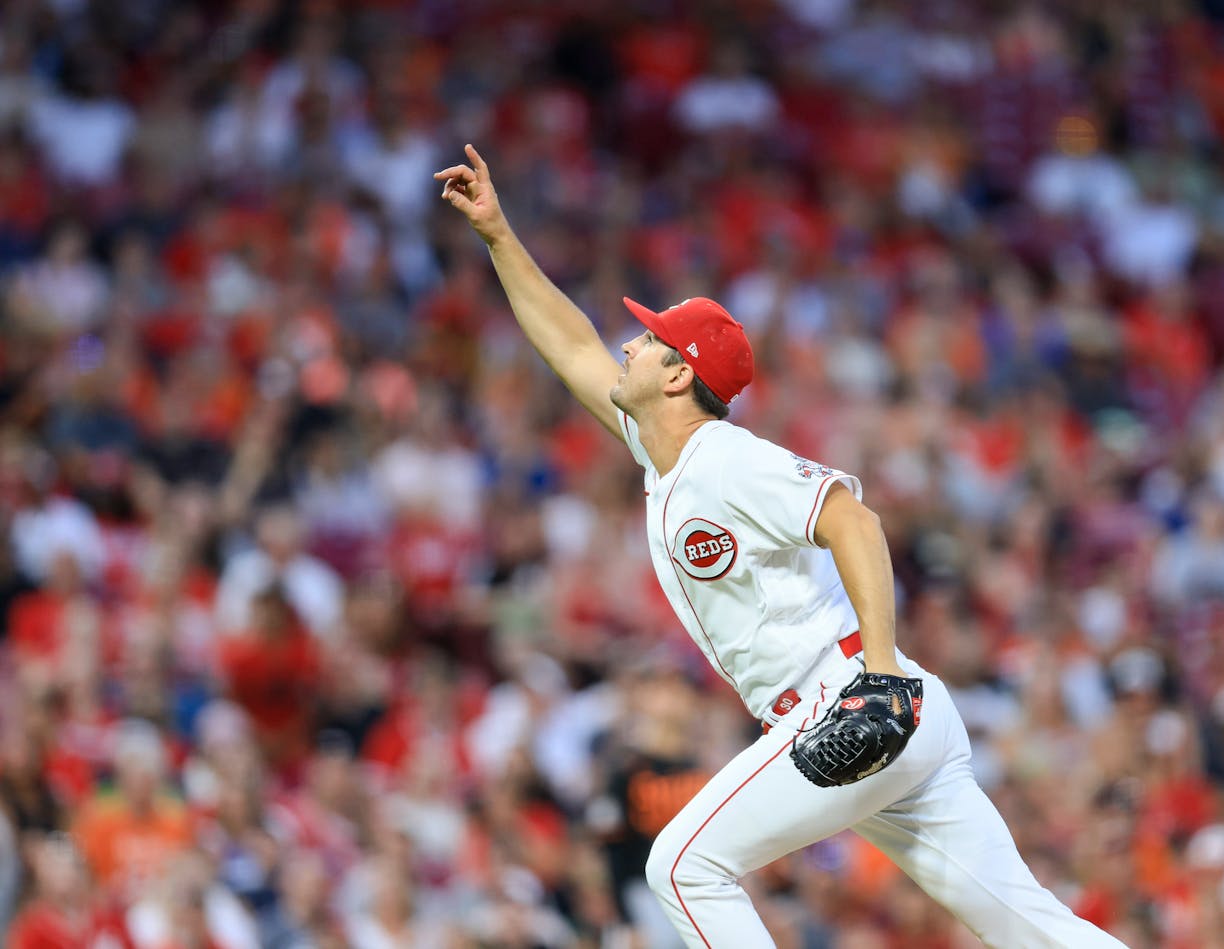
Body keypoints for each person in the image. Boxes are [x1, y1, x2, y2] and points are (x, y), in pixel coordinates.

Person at [435, 144, 1126, 948]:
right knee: (1033, 928)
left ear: (675, 377)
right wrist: (498, 236)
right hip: (886, 716)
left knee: (682, 866)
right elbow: (570, 344)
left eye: (649, 339)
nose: (628, 344)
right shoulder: (667, 454)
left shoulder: (727, 458)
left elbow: (853, 520)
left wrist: (880, 664)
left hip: (852, 696)